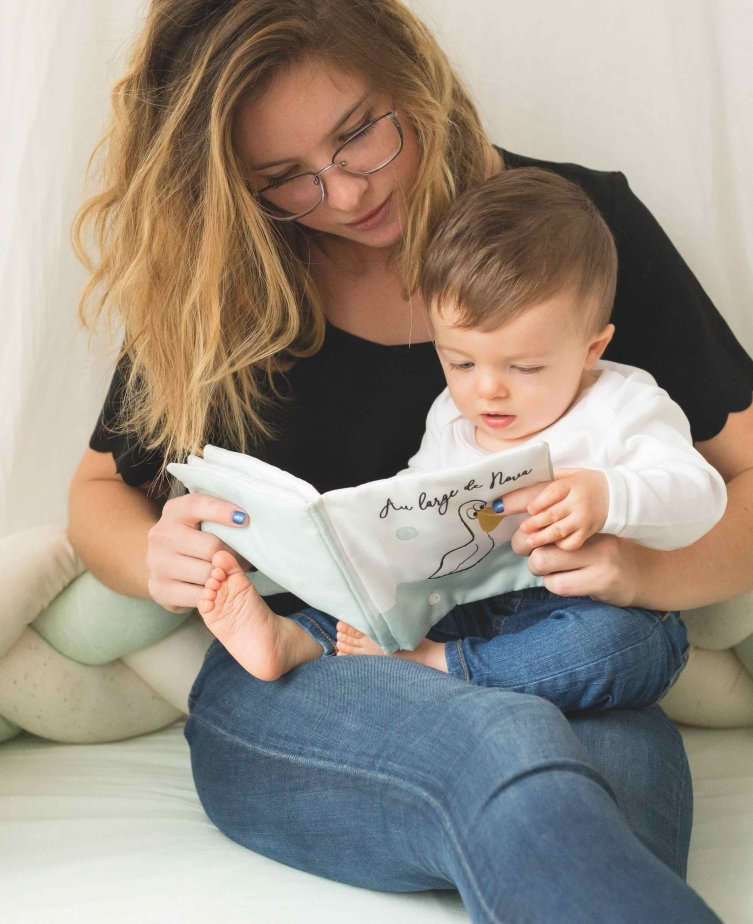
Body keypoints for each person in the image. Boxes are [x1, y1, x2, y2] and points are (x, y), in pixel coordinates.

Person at [67, 0, 753, 920]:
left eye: (357, 135)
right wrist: (150, 554)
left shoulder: (572, 231)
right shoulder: (227, 283)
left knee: (571, 784)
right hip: (307, 665)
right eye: (285, 177)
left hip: (561, 649)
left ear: (406, 67)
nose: (341, 194)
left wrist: (644, 576)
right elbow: (95, 494)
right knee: (509, 751)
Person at [199, 167, 722, 718]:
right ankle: (296, 641)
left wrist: (609, 495)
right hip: (464, 601)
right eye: (461, 361)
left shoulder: (623, 407)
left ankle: (441, 668)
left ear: (593, 349)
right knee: (382, 598)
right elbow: (419, 495)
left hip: (579, 609)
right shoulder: (452, 415)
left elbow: (702, 496)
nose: (487, 389)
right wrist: (368, 523)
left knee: (623, 646)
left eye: (524, 367)